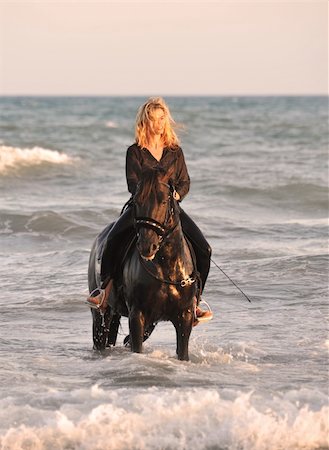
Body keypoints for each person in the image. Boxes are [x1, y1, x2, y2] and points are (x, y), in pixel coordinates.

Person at [86, 97, 213, 324]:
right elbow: (132, 184)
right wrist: (149, 194)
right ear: (145, 121)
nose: (158, 123)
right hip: (141, 210)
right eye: (153, 119)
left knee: (204, 248)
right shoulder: (135, 152)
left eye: (161, 118)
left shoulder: (175, 152)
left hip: (170, 211)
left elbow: (184, 182)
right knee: (112, 239)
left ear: (166, 120)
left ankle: (195, 301)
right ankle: (104, 291)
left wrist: (176, 195)